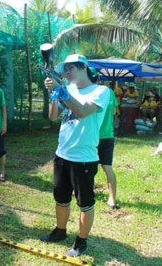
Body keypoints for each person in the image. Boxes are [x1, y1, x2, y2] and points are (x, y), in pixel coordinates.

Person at [40, 54, 109, 257]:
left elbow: (82, 112)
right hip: (62, 154)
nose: (67, 73)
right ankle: (60, 232)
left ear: (83, 68)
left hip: (84, 158)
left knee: (84, 202)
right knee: (61, 198)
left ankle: (81, 241)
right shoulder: (67, 89)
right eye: (65, 69)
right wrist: (53, 94)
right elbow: (53, 117)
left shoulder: (100, 91)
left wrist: (63, 93)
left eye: (71, 69)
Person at [98, 84, 119, 209]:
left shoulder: (90, 91)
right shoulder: (110, 92)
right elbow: (114, 111)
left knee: (87, 166)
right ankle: (112, 199)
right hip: (108, 135)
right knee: (108, 167)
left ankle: (77, 191)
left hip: (93, 136)